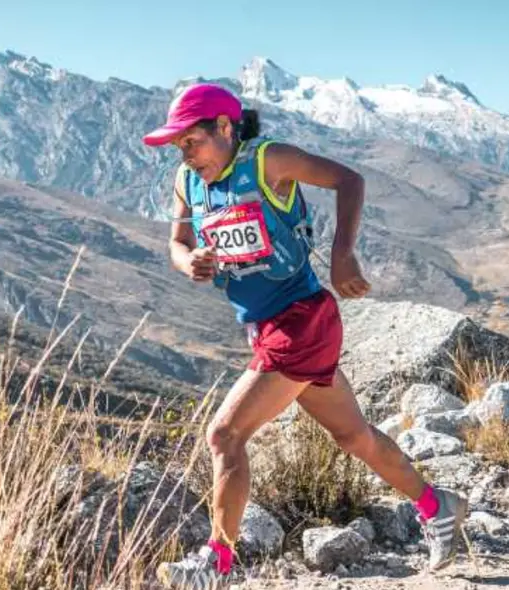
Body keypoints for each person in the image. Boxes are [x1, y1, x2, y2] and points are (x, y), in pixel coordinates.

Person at [142, 83, 469, 588]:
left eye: (192, 141)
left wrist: (343, 254)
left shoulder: (270, 161)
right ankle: (437, 505)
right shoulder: (189, 181)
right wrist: (193, 264)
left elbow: (349, 180)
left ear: (225, 128)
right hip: (266, 326)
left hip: (303, 320)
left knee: (225, 434)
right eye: (178, 146)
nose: (185, 154)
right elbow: (178, 243)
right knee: (352, 435)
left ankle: (218, 564)